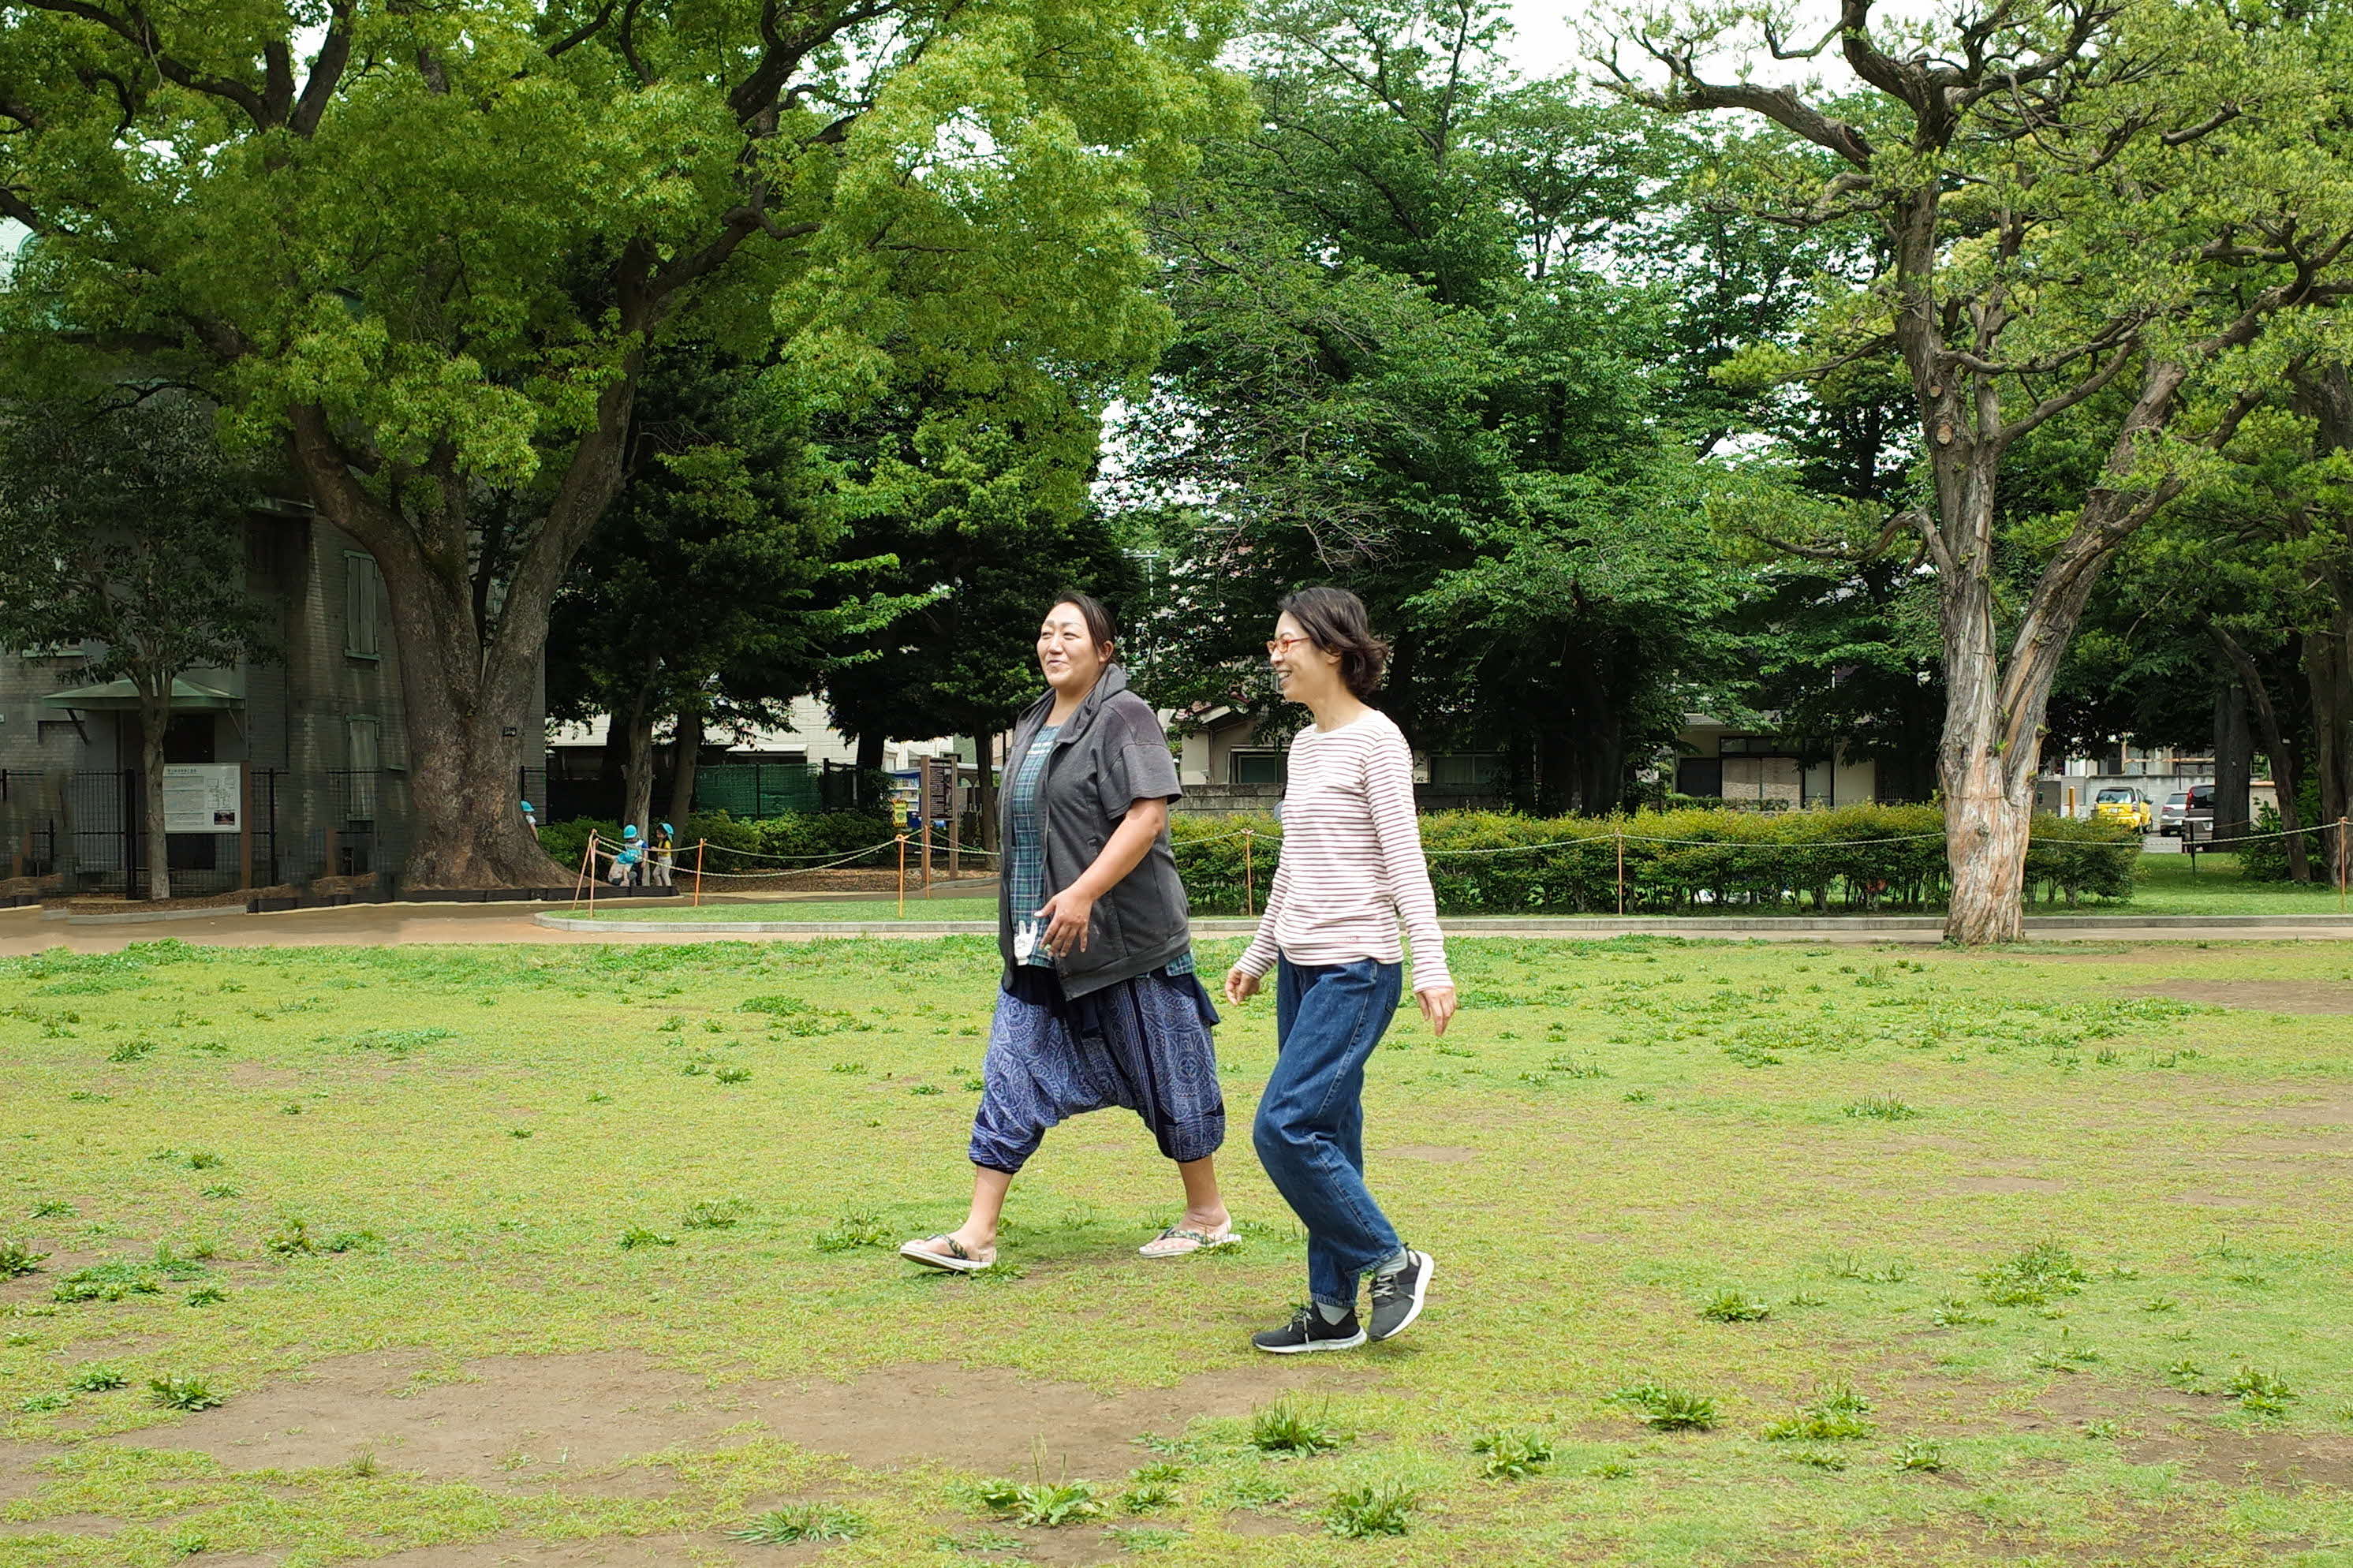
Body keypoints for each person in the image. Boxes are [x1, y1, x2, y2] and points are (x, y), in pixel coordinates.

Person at [901, 592, 1236, 1271]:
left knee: (1168, 1073)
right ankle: (977, 1232)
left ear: (1104, 651)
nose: (1053, 644)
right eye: (1046, 631)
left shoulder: (1123, 715)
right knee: (1010, 1071)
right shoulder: (1032, 721)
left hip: (1125, 942)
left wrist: (1083, 892)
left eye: (1071, 634)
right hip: (1037, 942)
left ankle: (1207, 1214)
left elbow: (1146, 818)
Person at [1225, 586, 1457, 1353]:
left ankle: (1392, 1260)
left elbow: (1404, 860)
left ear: (1330, 648)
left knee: (1283, 1124)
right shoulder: (1304, 745)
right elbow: (1294, 864)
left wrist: (1432, 963)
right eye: (1273, 642)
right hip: (1301, 967)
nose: (1275, 654)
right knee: (1327, 1131)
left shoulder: (1376, 740)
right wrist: (1259, 954)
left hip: (1358, 968)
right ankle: (1331, 1310)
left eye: (1286, 640)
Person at [608, 823, 644, 887]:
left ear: (636, 835)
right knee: (630, 874)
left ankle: (638, 888)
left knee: (639, 877)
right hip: (629, 861)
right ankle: (629, 886)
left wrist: (644, 861)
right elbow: (623, 854)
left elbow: (646, 850)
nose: (630, 840)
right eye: (628, 839)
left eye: (631, 838)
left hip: (639, 862)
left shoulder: (641, 843)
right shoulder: (626, 845)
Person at [649, 821, 675, 887]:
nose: (658, 836)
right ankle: (659, 886)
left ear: (666, 834)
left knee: (665, 875)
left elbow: (667, 850)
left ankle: (669, 888)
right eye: (657, 834)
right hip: (660, 860)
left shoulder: (667, 842)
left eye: (660, 834)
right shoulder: (661, 841)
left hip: (666, 861)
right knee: (655, 874)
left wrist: (657, 849)